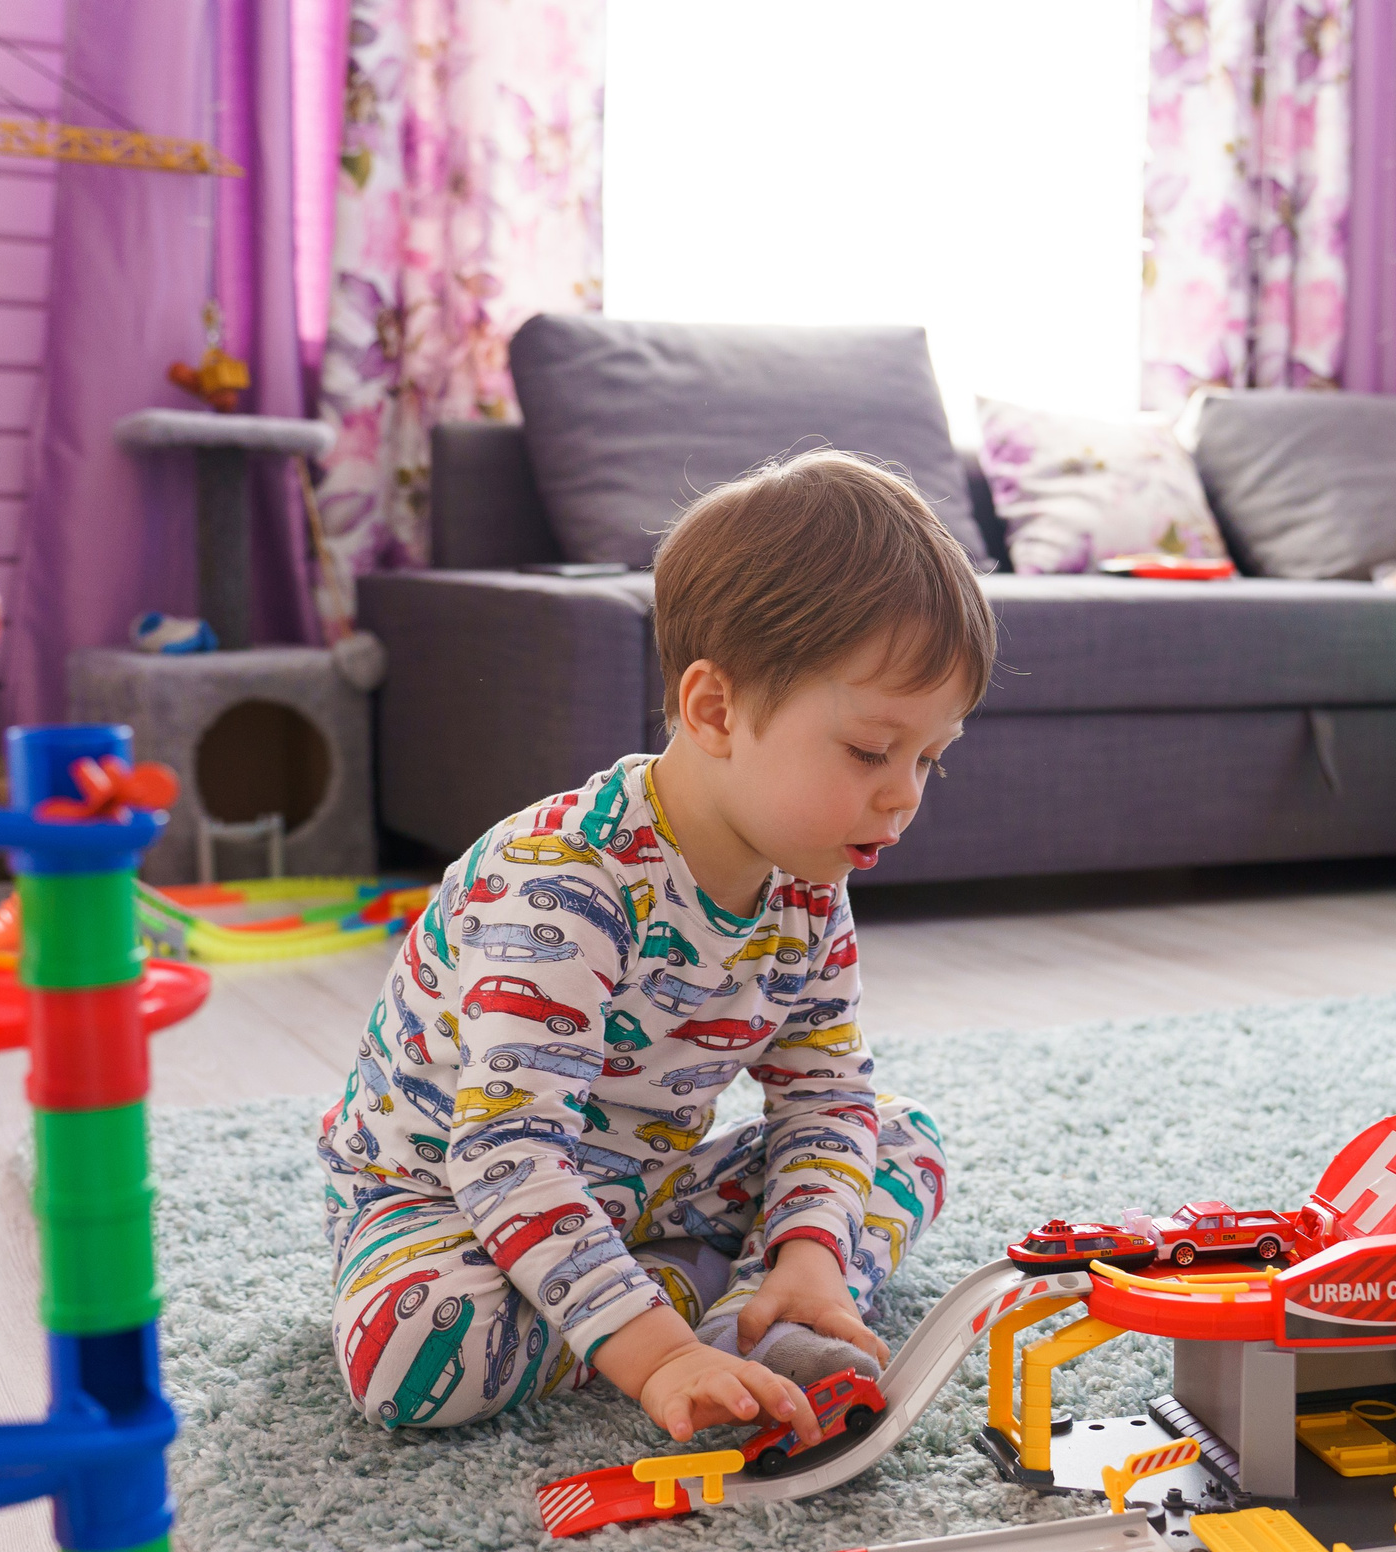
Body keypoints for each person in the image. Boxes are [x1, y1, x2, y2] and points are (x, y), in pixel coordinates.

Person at [319, 449, 993, 1443]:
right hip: (449, 1196)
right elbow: (505, 1152)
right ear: (713, 709)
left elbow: (823, 1093)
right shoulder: (564, 883)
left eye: (931, 758)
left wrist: (809, 1249)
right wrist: (660, 1357)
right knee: (414, 1352)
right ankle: (703, 1303)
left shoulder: (807, 881)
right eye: (869, 750)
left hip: (640, 1183)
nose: (905, 795)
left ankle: (771, 1293)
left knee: (899, 1138)